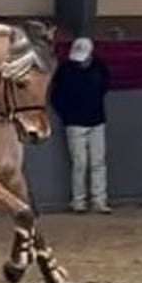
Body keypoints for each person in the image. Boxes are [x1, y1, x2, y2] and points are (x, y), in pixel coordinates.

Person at [50, 37, 113, 214]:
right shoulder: (66, 70)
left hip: (97, 121)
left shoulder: (100, 68)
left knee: (98, 162)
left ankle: (99, 200)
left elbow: (104, 87)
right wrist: (66, 115)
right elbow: (56, 96)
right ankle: (79, 201)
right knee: (80, 163)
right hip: (74, 123)